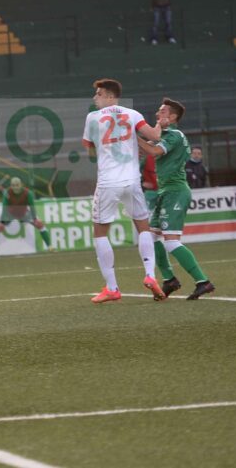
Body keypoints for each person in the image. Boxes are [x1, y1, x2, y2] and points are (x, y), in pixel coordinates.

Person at [82, 78, 164, 304]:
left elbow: (89, 150)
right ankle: (150, 275)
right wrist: (160, 123)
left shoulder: (92, 117)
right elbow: (155, 137)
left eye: (99, 94)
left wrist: (104, 147)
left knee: (100, 233)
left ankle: (112, 288)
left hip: (108, 182)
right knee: (143, 227)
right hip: (132, 181)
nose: (95, 98)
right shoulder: (133, 114)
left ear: (110, 96)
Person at [138, 99, 215, 300]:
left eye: (162, 112)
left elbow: (153, 151)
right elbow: (144, 148)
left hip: (176, 192)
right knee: (151, 238)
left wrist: (133, 136)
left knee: (171, 242)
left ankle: (203, 281)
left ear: (172, 117)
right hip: (166, 192)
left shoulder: (174, 135)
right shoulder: (164, 135)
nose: (157, 114)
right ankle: (169, 280)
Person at [0, 177, 53, 255]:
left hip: (24, 213)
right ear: (11, 186)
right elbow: (4, 208)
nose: (15, 187)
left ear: (21, 185)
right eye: (13, 185)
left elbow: (32, 206)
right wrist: (2, 221)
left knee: (40, 224)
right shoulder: (7, 193)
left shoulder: (28, 193)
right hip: (10, 214)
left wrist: (35, 218)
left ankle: (50, 246)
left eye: (17, 185)